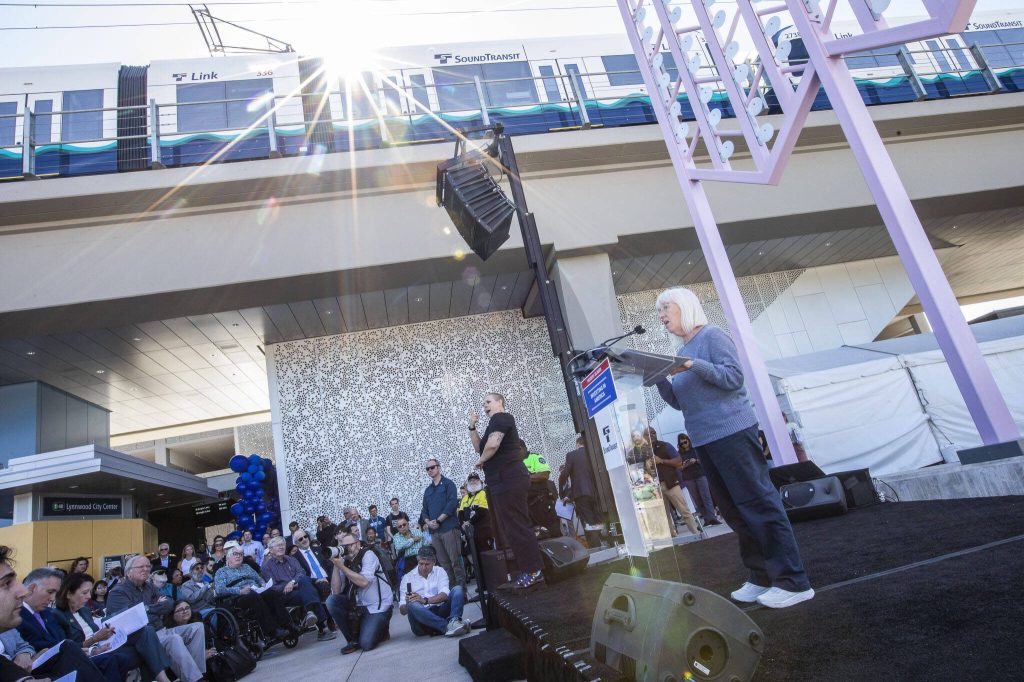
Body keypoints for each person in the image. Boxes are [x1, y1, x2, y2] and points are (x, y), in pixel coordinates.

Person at [655, 287, 813, 609]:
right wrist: (657, 378)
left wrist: (691, 365)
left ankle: (793, 582)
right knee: (732, 510)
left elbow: (734, 378)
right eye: (659, 312)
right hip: (705, 441)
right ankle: (761, 577)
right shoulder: (685, 350)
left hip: (732, 432)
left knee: (758, 503)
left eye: (665, 309)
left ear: (685, 307)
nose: (661, 317)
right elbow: (678, 401)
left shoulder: (711, 337)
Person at [0, 545, 115, 682]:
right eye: (6, 583)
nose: (23, 592)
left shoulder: (49, 614)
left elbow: (22, 645)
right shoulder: (16, 617)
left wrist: (24, 654)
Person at [468, 392, 545, 589]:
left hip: (508, 478)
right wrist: (472, 426)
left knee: (517, 525)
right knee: (511, 526)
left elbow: (492, 446)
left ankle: (533, 570)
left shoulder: (502, 418)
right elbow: (480, 446)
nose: (485, 405)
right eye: (483, 403)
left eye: (488, 402)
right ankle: (529, 568)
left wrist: (481, 461)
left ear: (500, 402)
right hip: (499, 481)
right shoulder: (493, 424)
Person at [54, 571, 173, 682]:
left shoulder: (84, 611)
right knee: (143, 651)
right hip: (87, 655)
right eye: (85, 593)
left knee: (146, 632)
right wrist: (95, 641)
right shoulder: (58, 616)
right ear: (69, 594)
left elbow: (96, 634)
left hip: (105, 646)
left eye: (90, 592)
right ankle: (162, 679)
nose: (89, 597)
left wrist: (106, 632)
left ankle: (161, 678)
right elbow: (66, 648)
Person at [106, 554, 207, 682]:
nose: (146, 569)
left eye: (148, 566)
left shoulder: (149, 586)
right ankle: (195, 679)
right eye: (141, 566)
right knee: (174, 639)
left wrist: (146, 608)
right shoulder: (118, 592)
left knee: (196, 627)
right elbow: (131, 618)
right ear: (129, 571)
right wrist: (154, 607)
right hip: (143, 637)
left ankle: (196, 675)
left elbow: (169, 604)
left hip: (162, 629)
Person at [17, 568, 124, 682]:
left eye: (55, 593)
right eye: (50, 592)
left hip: (65, 659)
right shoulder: (16, 615)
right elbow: (20, 647)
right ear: (32, 588)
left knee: (112, 659)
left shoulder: (47, 613)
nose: (52, 598)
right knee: (105, 661)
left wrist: (91, 651)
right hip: (43, 669)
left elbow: (61, 642)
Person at [326, 533, 392, 655]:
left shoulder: (368, 555)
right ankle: (352, 640)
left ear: (358, 544)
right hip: (359, 606)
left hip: (377, 606)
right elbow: (336, 590)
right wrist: (336, 566)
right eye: (344, 546)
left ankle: (382, 628)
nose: (347, 548)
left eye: (350, 545)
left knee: (366, 644)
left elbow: (364, 582)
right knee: (332, 601)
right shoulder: (344, 561)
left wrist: (343, 567)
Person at [260, 537, 335, 642]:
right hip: (284, 594)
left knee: (305, 582)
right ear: (271, 550)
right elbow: (272, 586)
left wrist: (293, 582)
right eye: (278, 545)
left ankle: (311, 614)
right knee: (310, 591)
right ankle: (322, 626)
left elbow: (301, 573)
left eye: (283, 544)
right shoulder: (266, 566)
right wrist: (287, 586)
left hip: (300, 588)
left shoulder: (291, 559)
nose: (281, 547)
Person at [214, 545, 293, 642]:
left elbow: (258, 578)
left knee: (270, 593)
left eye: (241, 554)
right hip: (238, 597)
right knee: (253, 596)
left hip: (256, 591)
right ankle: (272, 631)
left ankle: (288, 624)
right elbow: (220, 589)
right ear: (228, 557)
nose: (238, 556)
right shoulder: (221, 572)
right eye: (235, 554)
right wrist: (239, 591)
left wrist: (263, 584)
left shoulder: (246, 567)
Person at [398, 546, 470, 638]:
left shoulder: (440, 571)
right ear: (418, 561)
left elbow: (444, 595)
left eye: (427, 564)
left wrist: (425, 600)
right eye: (421, 563)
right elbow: (402, 611)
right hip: (421, 621)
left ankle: (454, 621)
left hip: (439, 611)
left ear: (434, 562)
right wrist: (407, 604)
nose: (424, 567)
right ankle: (449, 627)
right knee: (412, 604)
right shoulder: (407, 577)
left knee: (458, 590)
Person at [418, 459, 465, 590]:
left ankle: (462, 591)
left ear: (439, 467)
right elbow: (424, 510)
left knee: (455, 562)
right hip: (435, 533)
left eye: (432, 467)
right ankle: (452, 591)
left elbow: (451, 504)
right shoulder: (428, 490)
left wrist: (438, 520)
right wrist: (428, 522)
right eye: (427, 469)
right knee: (444, 564)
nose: (429, 470)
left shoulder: (448, 484)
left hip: (449, 529)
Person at [643, 427, 700, 536]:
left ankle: (697, 534)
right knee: (664, 516)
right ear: (644, 437)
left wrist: (662, 461)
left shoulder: (665, 446)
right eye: (648, 434)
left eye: (653, 432)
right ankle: (673, 539)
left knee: (684, 511)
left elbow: (679, 462)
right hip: (654, 487)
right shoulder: (643, 452)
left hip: (669, 483)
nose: (652, 435)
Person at [559, 436, 606, 547]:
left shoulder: (572, 455)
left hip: (582, 494)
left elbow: (565, 474)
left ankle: (596, 547)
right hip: (599, 492)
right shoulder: (594, 452)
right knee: (600, 518)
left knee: (589, 521)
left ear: (577, 444)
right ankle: (607, 541)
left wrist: (560, 483)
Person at [678, 433, 721, 526]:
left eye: (685, 442)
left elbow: (704, 460)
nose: (684, 444)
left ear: (688, 440)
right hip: (688, 478)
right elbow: (679, 467)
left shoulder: (696, 449)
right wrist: (686, 464)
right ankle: (706, 518)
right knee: (697, 499)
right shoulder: (679, 454)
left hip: (700, 474)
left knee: (706, 496)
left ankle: (712, 518)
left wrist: (695, 460)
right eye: (681, 444)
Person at [522, 442, 562, 537]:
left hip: (541, 501)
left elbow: (544, 475)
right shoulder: (515, 463)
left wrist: (525, 478)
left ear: (522, 448)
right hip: (525, 504)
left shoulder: (535, 457)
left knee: (552, 529)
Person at [291, 529, 332, 601]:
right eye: (300, 539)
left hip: (329, 578)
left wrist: (331, 578)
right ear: (296, 544)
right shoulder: (295, 558)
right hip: (314, 583)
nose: (304, 539)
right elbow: (301, 575)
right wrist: (317, 580)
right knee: (323, 586)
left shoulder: (319, 549)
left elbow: (329, 566)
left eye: (305, 536)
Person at [458, 472, 493, 551]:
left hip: (482, 530)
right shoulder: (465, 498)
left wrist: (469, 522)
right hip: (470, 532)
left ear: (479, 481)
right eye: (471, 480)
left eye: (475, 480)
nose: (473, 482)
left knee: (486, 554)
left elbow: (482, 511)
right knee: (468, 553)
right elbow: (460, 513)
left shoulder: (483, 493)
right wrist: (463, 524)